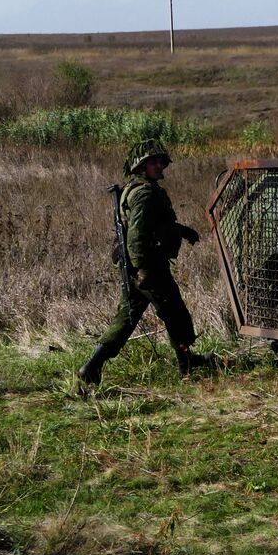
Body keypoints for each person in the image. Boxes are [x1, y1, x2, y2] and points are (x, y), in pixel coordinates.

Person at [77, 139, 211, 385]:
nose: (160, 166)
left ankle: (93, 366)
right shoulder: (145, 194)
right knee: (175, 313)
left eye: (161, 161)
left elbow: (153, 226)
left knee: (127, 318)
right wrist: (144, 269)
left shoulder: (135, 189)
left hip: (137, 267)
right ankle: (186, 366)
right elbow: (137, 236)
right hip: (148, 267)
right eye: (154, 162)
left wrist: (181, 231)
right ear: (141, 166)